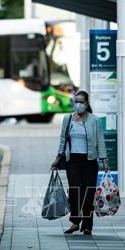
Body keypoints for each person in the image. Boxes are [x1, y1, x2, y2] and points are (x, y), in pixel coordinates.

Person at [51, 90, 109, 235]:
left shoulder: (94, 120)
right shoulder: (68, 119)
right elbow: (63, 140)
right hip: (72, 161)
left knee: (88, 193)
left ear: (87, 104)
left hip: (89, 161)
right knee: (74, 192)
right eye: (76, 102)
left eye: (81, 102)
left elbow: (100, 141)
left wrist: (104, 160)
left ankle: (87, 225)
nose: (78, 104)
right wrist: (58, 157)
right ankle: (75, 222)